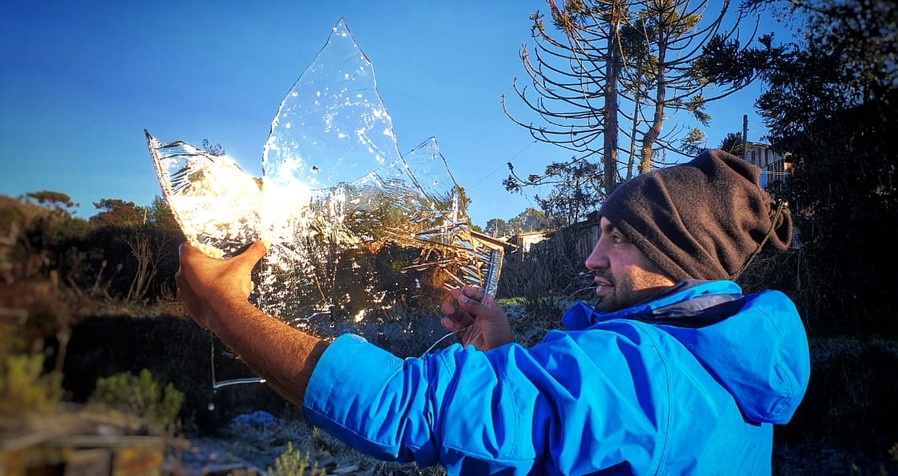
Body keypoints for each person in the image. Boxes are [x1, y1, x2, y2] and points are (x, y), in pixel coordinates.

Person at [176, 149, 811, 475]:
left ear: (677, 253)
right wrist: (505, 354)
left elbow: (404, 412)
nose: (591, 259)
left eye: (616, 236)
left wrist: (223, 308)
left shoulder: (641, 374)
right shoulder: (725, 360)